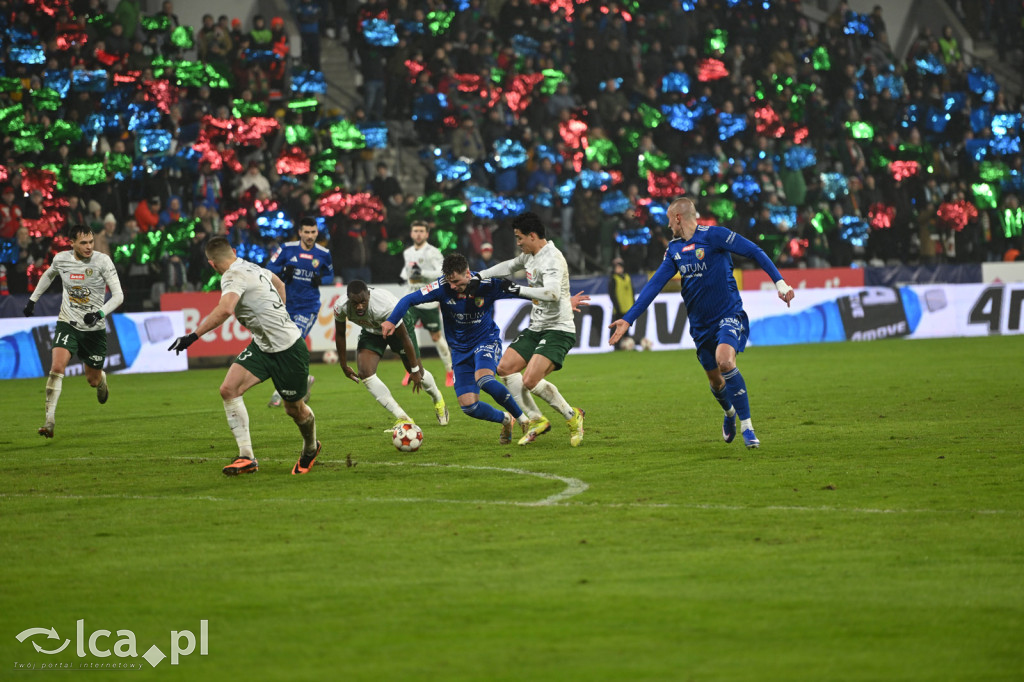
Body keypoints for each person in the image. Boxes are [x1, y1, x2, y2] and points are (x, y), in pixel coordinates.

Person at [608, 197, 795, 449]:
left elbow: (754, 251)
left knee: (726, 361)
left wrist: (780, 283)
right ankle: (729, 413)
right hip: (700, 325)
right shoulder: (674, 250)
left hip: (728, 314)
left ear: (678, 218)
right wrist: (628, 319)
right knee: (716, 382)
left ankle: (747, 427)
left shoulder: (715, 236)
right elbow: (654, 286)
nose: (667, 226)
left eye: (668, 220)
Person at [382, 252, 590, 444]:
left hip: (486, 340)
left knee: (484, 378)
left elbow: (525, 293)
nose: (453, 286)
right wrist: (392, 321)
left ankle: (525, 420)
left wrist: (563, 302)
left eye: (456, 281)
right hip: (459, 350)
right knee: (469, 406)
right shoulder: (442, 286)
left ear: (467, 272)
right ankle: (506, 419)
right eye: (449, 281)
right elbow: (409, 299)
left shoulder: (488, 285)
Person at [168, 236, 321, 475]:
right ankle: (246, 457)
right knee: (228, 389)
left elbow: (226, 309)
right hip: (262, 346)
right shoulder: (251, 266)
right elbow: (280, 283)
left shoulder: (231, 276)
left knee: (295, 410)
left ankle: (311, 448)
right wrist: (279, 312)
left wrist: (193, 336)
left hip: (289, 349)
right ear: (234, 251)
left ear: (211, 264)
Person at [469, 211, 586, 447]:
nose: (518, 242)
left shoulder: (552, 258)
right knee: (504, 368)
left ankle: (573, 417)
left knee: (530, 380)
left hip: (558, 328)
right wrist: (478, 276)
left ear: (532, 236)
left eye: (520, 238)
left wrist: (517, 290)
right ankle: (536, 419)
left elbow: (552, 293)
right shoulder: (530, 255)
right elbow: (508, 266)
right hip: (537, 326)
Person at [23, 224, 124, 438]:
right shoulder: (61, 259)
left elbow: (118, 296)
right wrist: (33, 300)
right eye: (83, 243)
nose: (89, 247)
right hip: (67, 322)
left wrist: (99, 314)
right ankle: (49, 421)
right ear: (72, 243)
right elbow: (49, 275)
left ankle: (102, 379)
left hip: (94, 329)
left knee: (92, 380)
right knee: (57, 367)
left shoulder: (103, 261)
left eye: (91, 242)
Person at [334, 280, 449, 430]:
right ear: (348, 299)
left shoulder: (384, 305)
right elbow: (340, 334)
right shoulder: (340, 307)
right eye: (355, 303)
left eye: (363, 301)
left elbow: (404, 338)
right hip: (371, 332)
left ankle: (437, 398)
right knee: (365, 373)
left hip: (397, 327)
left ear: (368, 295)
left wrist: (413, 370)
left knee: (419, 372)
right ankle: (403, 418)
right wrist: (343, 364)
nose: (360, 306)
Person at [264, 217, 333, 407]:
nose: (310, 236)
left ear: (316, 233)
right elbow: (269, 268)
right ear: (300, 232)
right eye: (306, 232)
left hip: (308, 306)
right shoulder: (287, 249)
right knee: (282, 347)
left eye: (313, 232)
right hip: (285, 305)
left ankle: (281, 390)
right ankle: (304, 380)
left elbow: (329, 275)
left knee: (292, 342)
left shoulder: (324, 253)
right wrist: (284, 269)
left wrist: (321, 279)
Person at [399, 220, 455, 387]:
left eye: (421, 231)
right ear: (411, 233)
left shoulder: (433, 252)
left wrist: (422, 273)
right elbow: (408, 269)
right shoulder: (407, 252)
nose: (418, 234)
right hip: (411, 298)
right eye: (415, 231)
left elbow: (442, 272)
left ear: (427, 234)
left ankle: (449, 370)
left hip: (428, 300)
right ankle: (411, 370)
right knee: (406, 336)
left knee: (436, 337)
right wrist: (404, 276)